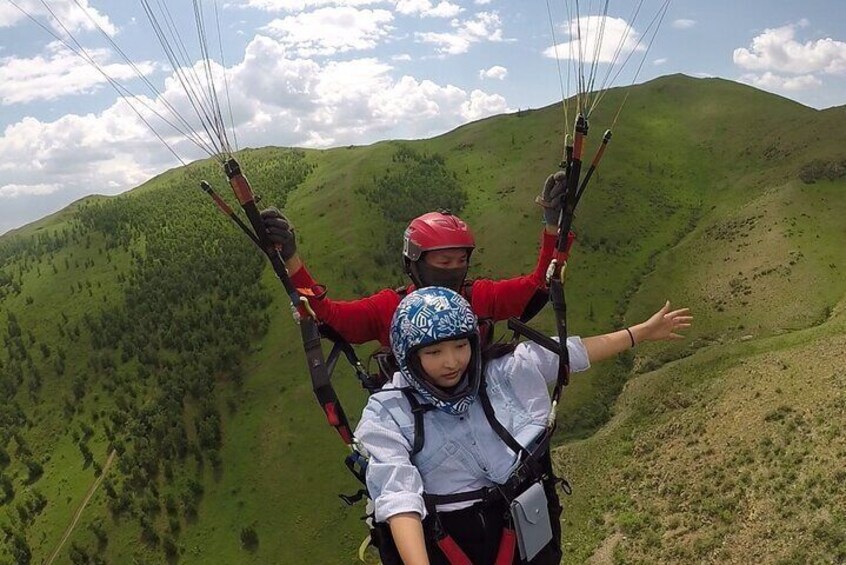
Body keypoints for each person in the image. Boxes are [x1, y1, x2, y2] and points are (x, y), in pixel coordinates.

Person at [355, 287, 692, 564]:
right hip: (449, 537)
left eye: (461, 346)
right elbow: (397, 495)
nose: (452, 362)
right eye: (434, 352)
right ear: (409, 356)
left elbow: (569, 354)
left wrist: (640, 333)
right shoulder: (390, 411)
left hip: (517, 521)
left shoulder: (501, 371)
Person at [260, 172, 571, 348]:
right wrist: (290, 257)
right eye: (443, 262)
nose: (453, 271)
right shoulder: (388, 308)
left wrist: (553, 227)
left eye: (459, 262)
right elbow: (330, 317)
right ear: (414, 264)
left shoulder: (478, 297)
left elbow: (538, 286)